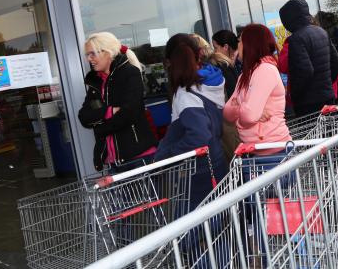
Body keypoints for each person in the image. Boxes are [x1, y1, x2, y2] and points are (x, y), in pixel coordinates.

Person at [155, 34, 228, 208]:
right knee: (218, 223)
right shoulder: (210, 82)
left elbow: (199, 135)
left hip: (198, 170)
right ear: (200, 53)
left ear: (169, 62)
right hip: (215, 160)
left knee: (191, 229)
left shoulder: (186, 93)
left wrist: (171, 154)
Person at [78, 32, 157, 173]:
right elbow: (84, 117)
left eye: (93, 54)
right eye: (87, 55)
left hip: (138, 158)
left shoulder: (130, 73)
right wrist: (109, 112)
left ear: (108, 52)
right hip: (113, 162)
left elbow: (128, 114)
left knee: (146, 196)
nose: (89, 59)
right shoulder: (96, 82)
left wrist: (100, 127)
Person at [224, 24, 291, 157]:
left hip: (273, 152)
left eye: (240, 41)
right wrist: (246, 110)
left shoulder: (265, 69)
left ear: (250, 44)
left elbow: (248, 116)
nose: (238, 46)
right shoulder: (245, 75)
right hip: (255, 150)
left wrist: (243, 107)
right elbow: (227, 113)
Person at [278, 0, 338, 118]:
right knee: (330, 133)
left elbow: (305, 71)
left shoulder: (296, 38)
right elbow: (337, 63)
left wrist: (295, 95)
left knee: (315, 135)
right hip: (328, 96)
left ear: (288, 20)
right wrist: (326, 84)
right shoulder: (321, 31)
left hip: (308, 103)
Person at [194, 34, 241, 159]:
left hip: (225, 126)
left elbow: (232, 93)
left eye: (215, 47)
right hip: (229, 125)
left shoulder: (216, 66)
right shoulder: (219, 67)